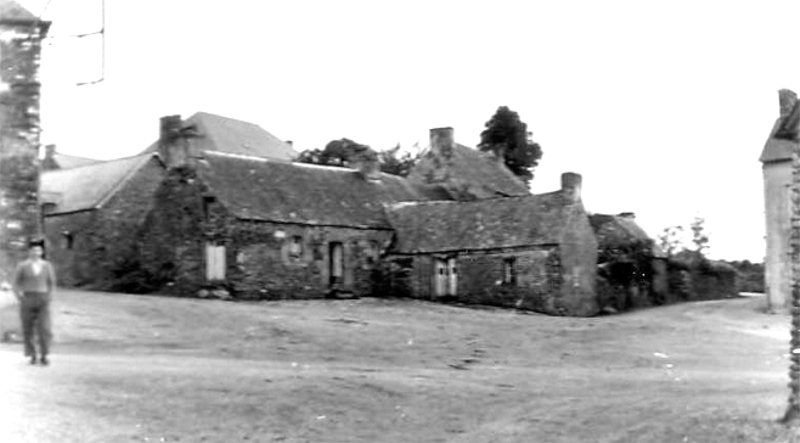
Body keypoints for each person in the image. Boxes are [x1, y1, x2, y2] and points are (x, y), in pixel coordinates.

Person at [12, 239, 56, 366]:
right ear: (29, 252)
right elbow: (15, 283)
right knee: (28, 328)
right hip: (27, 297)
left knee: (45, 328)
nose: (35, 253)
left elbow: (52, 283)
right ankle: (32, 355)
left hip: (43, 298)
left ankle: (44, 354)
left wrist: (49, 297)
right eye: (33, 250)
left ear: (41, 252)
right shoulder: (22, 266)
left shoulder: (47, 266)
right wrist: (20, 297)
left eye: (38, 250)